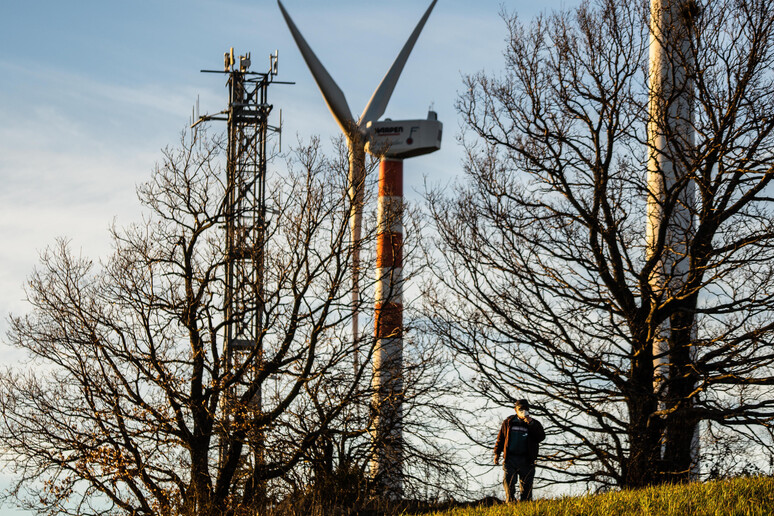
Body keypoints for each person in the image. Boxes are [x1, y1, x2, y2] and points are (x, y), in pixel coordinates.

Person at [494, 399, 545, 502]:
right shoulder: (508, 422)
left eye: (525, 409)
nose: (523, 411)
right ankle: (510, 504)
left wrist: (531, 424)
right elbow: (501, 438)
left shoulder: (534, 423)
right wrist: (497, 453)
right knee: (509, 483)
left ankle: (525, 506)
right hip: (510, 458)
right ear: (515, 410)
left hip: (527, 459)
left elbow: (541, 437)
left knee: (527, 487)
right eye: (520, 409)